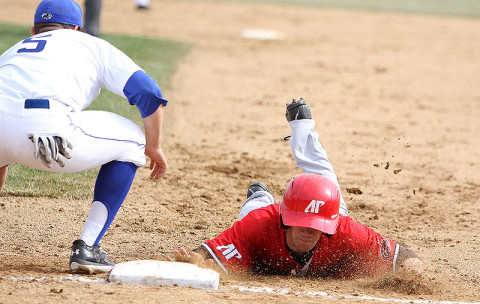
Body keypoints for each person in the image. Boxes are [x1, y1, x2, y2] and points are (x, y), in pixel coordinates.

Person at [0, 0, 168, 274]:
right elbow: (148, 93)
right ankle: (88, 247)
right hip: (50, 131)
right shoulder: (91, 45)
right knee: (135, 141)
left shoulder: (13, 52)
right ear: (79, 29)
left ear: (33, 30)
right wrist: (154, 146)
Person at [169, 99, 423, 279]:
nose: (309, 230)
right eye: (302, 222)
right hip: (263, 220)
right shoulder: (261, 223)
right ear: (284, 216)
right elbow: (207, 252)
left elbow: (404, 256)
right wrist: (191, 260)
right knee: (253, 214)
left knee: (323, 180)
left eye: (316, 225)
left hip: (329, 210)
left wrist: (413, 272)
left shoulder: (343, 231)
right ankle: (259, 196)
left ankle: (303, 126)